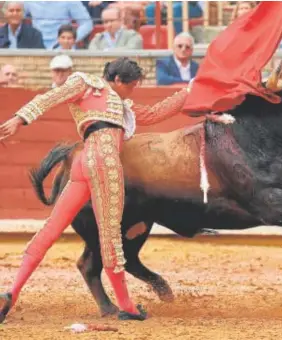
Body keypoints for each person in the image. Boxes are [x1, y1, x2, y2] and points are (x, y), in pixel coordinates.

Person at [0, 57, 191, 323]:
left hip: (82, 162)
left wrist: (188, 91)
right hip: (105, 159)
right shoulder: (89, 83)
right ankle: (128, 307)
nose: (132, 92)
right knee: (110, 237)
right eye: (131, 86)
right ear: (116, 81)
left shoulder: (92, 90)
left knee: (51, 228)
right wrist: (19, 118)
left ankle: (12, 291)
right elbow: (50, 96)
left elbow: (157, 112)